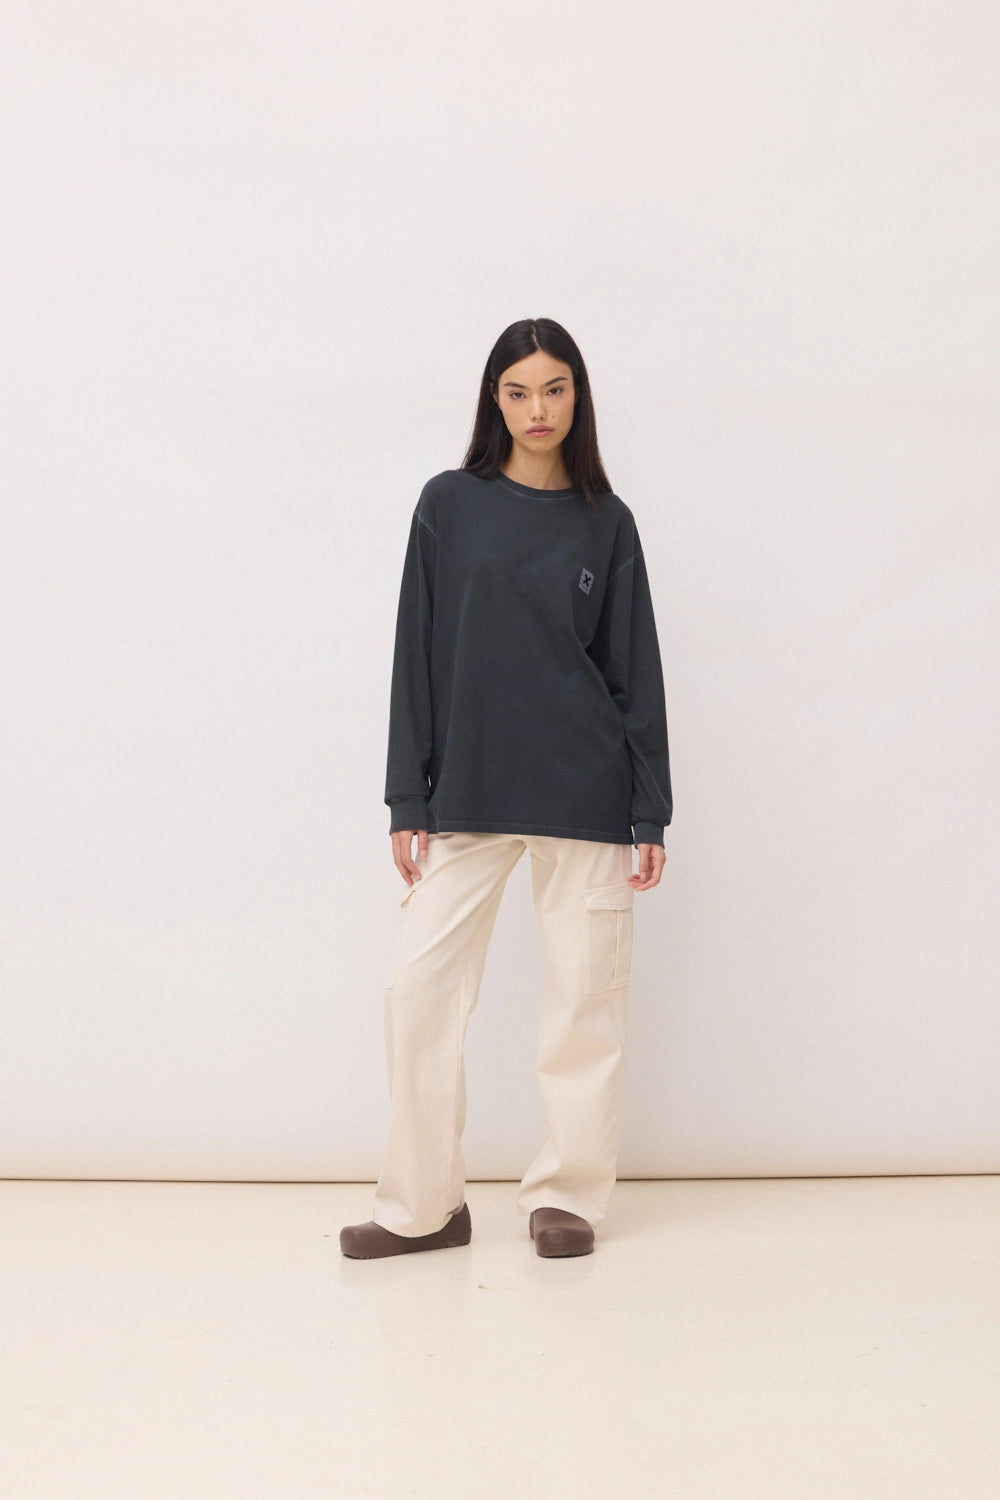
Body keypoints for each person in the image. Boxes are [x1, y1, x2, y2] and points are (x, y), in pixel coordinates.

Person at [340, 318, 672, 1260]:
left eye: (555, 389)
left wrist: (649, 807)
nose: (538, 409)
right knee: (418, 992)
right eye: (520, 391)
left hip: (586, 791)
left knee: (584, 1003)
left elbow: (634, 670)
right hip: (469, 789)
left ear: (578, 397)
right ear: (495, 398)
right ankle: (423, 1205)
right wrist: (407, 797)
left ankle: (567, 1196)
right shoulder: (449, 505)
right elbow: (416, 652)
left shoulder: (607, 521)